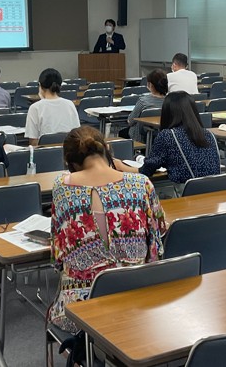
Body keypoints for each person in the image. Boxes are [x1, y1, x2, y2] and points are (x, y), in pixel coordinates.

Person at [49, 126, 166, 332]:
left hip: (82, 310)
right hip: (138, 299)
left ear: (71, 163)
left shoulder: (62, 187)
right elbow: (158, 237)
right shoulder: (142, 183)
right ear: (107, 149)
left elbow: (57, 253)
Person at [115, 91, 221, 184]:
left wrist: (120, 166)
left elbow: (146, 171)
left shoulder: (168, 136)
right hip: (215, 189)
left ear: (167, 112)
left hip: (187, 192)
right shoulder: (209, 134)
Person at [24, 68, 80, 146]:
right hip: (68, 151)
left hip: (45, 152)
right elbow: (77, 134)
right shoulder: (70, 104)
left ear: (40, 86)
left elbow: (33, 142)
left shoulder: (35, 108)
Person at [120, 69, 167, 143]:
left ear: (150, 85)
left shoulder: (143, 101)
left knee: (122, 133)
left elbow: (130, 121)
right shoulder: (169, 101)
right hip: (161, 136)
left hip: (140, 137)